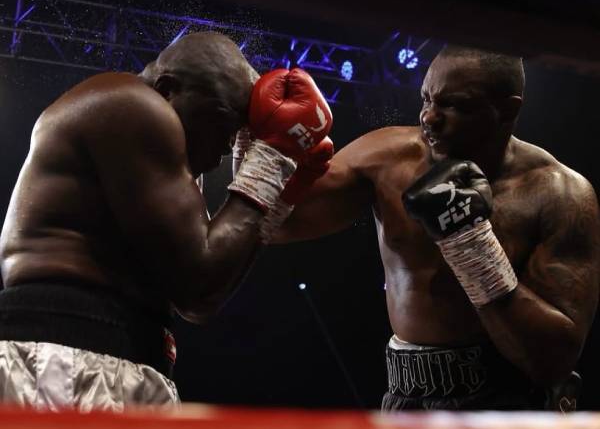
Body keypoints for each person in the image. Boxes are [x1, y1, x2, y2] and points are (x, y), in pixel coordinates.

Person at [0, 31, 333, 410]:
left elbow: (199, 303)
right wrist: (272, 157)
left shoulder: (168, 155)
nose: (227, 146)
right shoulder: (131, 104)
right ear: (169, 89)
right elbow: (199, 279)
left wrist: (281, 196)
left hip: (117, 359)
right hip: (62, 356)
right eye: (224, 121)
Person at [273, 46, 600, 410]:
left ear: (508, 110)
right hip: (404, 398)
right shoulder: (386, 159)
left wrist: (472, 246)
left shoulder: (559, 194)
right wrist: (265, 148)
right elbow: (277, 223)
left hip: (507, 404)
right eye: (426, 98)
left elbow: (553, 360)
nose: (430, 117)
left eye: (455, 105)